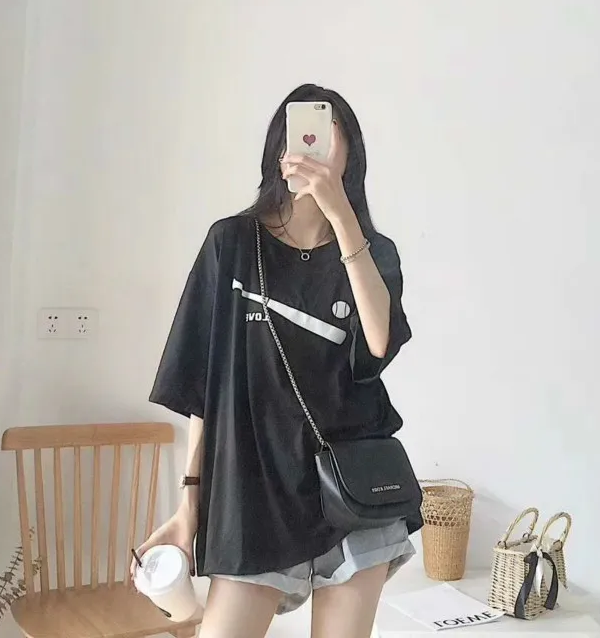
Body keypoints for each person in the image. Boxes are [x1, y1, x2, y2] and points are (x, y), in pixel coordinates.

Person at [133, 83, 421, 638]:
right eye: (304, 131)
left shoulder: (373, 252)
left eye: (330, 133)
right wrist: (190, 507)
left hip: (350, 495)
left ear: (351, 154)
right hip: (255, 494)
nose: (315, 145)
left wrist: (341, 216)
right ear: (279, 146)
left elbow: (379, 342)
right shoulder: (232, 244)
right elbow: (203, 388)